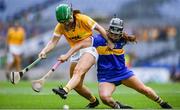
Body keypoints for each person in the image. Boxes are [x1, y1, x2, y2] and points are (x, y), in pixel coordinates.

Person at [57, 17, 173, 109]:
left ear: (121, 32)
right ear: (109, 30)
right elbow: (80, 44)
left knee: (144, 89)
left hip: (123, 73)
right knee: (104, 97)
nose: (114, 36)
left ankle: (162, 103)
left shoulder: (123, 39)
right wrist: (67, 55)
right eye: (112, 33)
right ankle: (118, 107)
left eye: (117, 34)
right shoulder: (99, 39)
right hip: (106, 77)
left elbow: (133, 38)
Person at [38, 4, 114, 108]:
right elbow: (53, 42)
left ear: (71, 15)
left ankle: (64, 90)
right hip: (75, 52)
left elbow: (100, 28)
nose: (65, 24)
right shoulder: (60, 26)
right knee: (77, 85)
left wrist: (109, 41)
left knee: (77, 72)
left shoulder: (82, 19)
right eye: (62, 22)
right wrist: (44, 51)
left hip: (89, 48)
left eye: (67, 21)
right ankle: (93, 101)